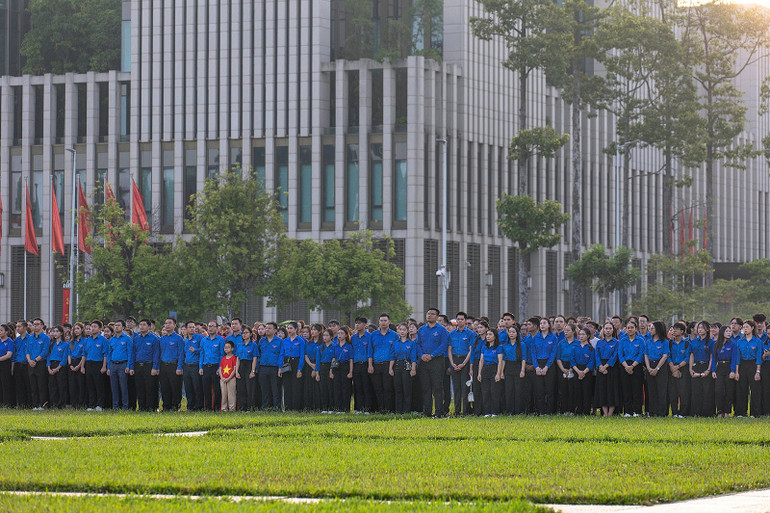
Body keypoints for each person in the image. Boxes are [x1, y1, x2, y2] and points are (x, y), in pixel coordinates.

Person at [417, 308, 449, 417]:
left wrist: (432, 355)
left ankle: (439, 412)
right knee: (426, 388)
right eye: (428, 313)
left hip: (436, 361)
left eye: (432, 314)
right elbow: (418, 344)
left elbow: (443, 345)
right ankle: (427, 412)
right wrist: (422, 355)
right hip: (424, 361)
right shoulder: (421, 329)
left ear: (437, 317)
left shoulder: (441, 330)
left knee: (437, 388)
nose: (429, 315)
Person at [448, 311, 475, 416]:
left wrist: (463, 364)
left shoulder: (470, 334)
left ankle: (465, 411)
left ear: (465, 321)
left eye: (462, 319)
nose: (460, 321)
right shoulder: (452, 334)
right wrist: (452, 363)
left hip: (465, 361)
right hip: (454, 360)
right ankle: (457, 410)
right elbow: (449, 349)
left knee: (465, 387)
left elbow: (470, 350)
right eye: (458, 319)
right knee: (456, 387)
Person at [733, 319, 762, 417]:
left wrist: (758, 371)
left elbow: (758, 357)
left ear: (752, 328)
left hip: (753, 365)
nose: (745, 329)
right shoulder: (740, 342)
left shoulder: (757, 341)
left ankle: (754, 413)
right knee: (741, 389)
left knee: (755, 390)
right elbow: (737, 358)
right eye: (744, 327)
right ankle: (741, 412)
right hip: (742, 366)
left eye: (747, 327)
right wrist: (737, 372)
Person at [368, 314, 397, 413]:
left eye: (385, 320)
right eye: (381, 320)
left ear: (389, 322)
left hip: (388, 365)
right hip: (376, 364)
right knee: (378, 388)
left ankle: (389, 409)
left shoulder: (394, 335)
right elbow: (370, 351)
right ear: (379, 322)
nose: (383, 322)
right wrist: (370, 365)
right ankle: (380, 409)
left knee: (388, 388)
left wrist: (391, 367)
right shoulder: (373, 335)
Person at [132, 319, 160, 412]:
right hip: (138, 365)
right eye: (140, 325)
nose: (141, 326)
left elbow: (156, 354)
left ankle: (150, 407)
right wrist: (132, 367)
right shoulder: (136, 338)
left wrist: (155, 367)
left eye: (144, 325)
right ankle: (141, 407)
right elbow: (133, 353)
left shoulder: (154, 338)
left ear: (149, 327)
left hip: (149, 365)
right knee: (140, 387)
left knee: (149, 387)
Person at [531, 318, 558, 414]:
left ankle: (549, 411)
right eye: (541, 323)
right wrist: (537, 367)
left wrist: (547, 367)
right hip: (538, 363)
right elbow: (533, 353)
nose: (542, 325)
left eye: (544, 323)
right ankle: (540, 411)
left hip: (549, 365)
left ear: (549, 325)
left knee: (550, 389)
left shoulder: (553, 338)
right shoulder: (535, 338)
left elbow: (553, 353)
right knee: (539, 390)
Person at [618, 319, 644, 417]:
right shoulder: (623, 340)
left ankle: (637, 411)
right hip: (625, 366)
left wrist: (632, 366)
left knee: (636, 390)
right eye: (628, 328)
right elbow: (620, 354)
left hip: (636, 366)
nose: (630, 330)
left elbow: (641, 354)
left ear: (636, 329)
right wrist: (626, 366)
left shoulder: (640, 340)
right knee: (626, 389)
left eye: (632, 328)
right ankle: (628, 411)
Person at [277, 321, 306, 411]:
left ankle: (296, 408)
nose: (289, 330)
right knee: (287, 386)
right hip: (286, 363)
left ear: (296, 329)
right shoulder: (285, 341)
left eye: (291, 328)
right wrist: (279, 368)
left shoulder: (301, 341)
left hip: (296, 362)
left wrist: (299, 369)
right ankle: (288, 407)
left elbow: (302, 356)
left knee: (296, 386)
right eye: (288, 328)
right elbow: (281, 354)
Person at [500, 324, 528, 415]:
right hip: (508, 367)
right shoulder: (505, 345)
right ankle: (509, 410)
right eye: (510, 332)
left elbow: (524, 358)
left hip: (518, 366)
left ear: (517, 333)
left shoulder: (522, 345)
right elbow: (503, 359)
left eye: (513, 332)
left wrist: (522, 370)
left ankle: (518, 410)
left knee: (518, 389)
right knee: (509, 390)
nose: (511, 334)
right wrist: (501, 372)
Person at [689, 321, 714, 417]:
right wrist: (690, 369)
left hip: (706, 365)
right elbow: (691, 355)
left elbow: (712, 356)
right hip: (696, 365)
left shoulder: (711, 342)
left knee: (707, 390)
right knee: (696, 390)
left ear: (707, 329)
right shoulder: (694, 341)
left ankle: (707, 413)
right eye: (698, 328)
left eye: (702, 328)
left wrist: (708, 369)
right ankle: (696, 412)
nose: (699, 330)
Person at [644, 321, 669, 417]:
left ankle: (661, 412)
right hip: (650, 365)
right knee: (651, 390)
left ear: (658, 329)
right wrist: (649, 368)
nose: (650, 329)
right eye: (650, 328)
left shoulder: (664, 342)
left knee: (661, 390)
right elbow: (646, 355)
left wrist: (657, 368)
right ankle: (652, 411)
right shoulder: (648, 341)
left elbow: (665, 356)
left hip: (661, 366)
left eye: (652, 328)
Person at [107, 320, 133, 411]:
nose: (116, 327)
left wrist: (128, 366)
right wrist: (108, 367)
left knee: (123, 386)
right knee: (114, 387)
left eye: (118, 325)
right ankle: (115, 406)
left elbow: (130, 353)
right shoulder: (112, 339)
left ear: (123, 327)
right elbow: (109, 354)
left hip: (123, 364)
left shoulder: (127, 339)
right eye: (115, 325)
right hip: (113, 364)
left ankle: (125, 406)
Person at [159, 318, 184, 411]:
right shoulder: (162, 339)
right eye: (166, 323)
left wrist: (179, 367)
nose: (167, 325)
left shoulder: (178, 338)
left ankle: (175, 405)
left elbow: (181, 353)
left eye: (170, 323)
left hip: (174, 365)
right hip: (163, 365)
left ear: (174, 325)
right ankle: (166, 406)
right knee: (164, 387)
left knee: (175, 387)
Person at [595, 322, 619, 417]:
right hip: (601, 368)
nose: (608, 330)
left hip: (611, 369)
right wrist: (600, 366)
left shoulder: (616, 342)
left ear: (613, 330)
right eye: (606, 328)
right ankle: (604, 412)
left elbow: (615, 356)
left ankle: (610, 412)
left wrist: (606, 366)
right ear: (603, 330)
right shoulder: (599, 342)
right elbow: (596, 355)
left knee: (612, 389)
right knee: (602, 389)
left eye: (610, 328)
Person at [667, 322, 691, 418]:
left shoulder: (686, 343)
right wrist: (672, 367)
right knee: (673, 392)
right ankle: (674, 412)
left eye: (676, 329)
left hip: (683, 368)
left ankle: (682, 413)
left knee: (683, 392)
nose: (674, 331)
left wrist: (677, 367)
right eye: (673, 329)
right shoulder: (669, 343)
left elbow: (687, 357)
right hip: (671, 368)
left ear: (681, 331)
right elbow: (668, 356)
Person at [26, 318, 51, 410]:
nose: (35, 326)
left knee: (41, 385)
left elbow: (45, 351)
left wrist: (35, 360)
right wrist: (29, 360)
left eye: (37, 324)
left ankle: (42, 404)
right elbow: (27, 350)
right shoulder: (30, 338)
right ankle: (35, 404)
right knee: (33, 385)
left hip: (40, 363)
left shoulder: (45, 338)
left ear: (42, 326)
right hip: (31, 363)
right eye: (34, 324)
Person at [200, 320, 225, 411]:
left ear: (217, 328)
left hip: (216, 367)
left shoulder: (221, 340)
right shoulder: (204, 340)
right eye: (209, 326)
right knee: (206, 389)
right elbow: (202, 354)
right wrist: (200, 367)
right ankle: (208, 407)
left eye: (213, 326)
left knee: (216, 388)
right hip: (206, 366)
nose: (210, 328)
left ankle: (216, 407)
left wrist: (219, 368)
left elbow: (222, 354)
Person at [392, 322, 417, 414]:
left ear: (407, 331)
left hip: (407, 366)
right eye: (400, 330)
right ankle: (398, 410)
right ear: (397, 331)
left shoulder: (411, 343)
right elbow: (392, 356)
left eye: (404, 330)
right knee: (398, 389)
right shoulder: (395, 343)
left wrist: (413, 369)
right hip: (397, 366)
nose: (402, 332)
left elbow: (414, 357)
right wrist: (390, 368)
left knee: (407, 389)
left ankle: (407, 410)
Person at [712, 325, 737, 418]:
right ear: (722, 332)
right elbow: (714, 358)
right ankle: (720, 411)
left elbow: (734, 359)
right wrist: (713, 370)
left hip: (728, 367)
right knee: (719, 391)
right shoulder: (716, 344)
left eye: (730, 331)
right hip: (719, 368)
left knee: (729, 391)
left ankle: (727, 411)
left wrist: (732, 371)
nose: (729, 333)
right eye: (727, 331)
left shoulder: (733, 344)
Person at [477, 329, 502, 417]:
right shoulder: (484, 347)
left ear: (495, 336)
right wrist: (479, 373)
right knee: (485, 391)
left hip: (494, 368)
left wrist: (498, 373)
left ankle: (494, 412)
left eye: (490, 334)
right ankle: (487, 412)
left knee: (494, 391)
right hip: (485, 369)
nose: (488, 336)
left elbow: (500, 361)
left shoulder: (498, 347)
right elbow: (481, 360)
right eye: (487, 334)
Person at [571, 327, 596, 415]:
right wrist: (578, 372)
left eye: (583, 334)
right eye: (580, 334)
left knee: (587, 392)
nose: (581, 336)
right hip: (577, 370)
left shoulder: (591, 348)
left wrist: (583, 372)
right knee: (577, 391)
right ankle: (578, 410)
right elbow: (572, 360)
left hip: (587, 372)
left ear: (588, 336)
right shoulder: (575, 347)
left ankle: (586, 411)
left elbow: (591, 362)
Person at [84, 320, 108, 411]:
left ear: (100, 329)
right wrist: (82, 366)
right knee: (90, 385)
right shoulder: (88, 340)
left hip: (99, 363)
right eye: (91, 327)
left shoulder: (103, 340)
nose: (92, 329)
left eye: (94, 327)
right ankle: (91, 404)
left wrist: (104, 366)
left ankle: (100, 405)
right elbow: (84, 354)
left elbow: (105, 354)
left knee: (99, 385)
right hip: (89, 363)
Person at [351, 317, 373, 413]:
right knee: (357, 387)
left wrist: (370, 365)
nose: (357, 325)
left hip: (365, 364)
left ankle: (367, 408)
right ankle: (358, 408)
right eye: (356, 323)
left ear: (365, 325)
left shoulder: (369, 336)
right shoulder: (353, 338)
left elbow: (370, 351)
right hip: (356, 365)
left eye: (359, 323)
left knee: (366, 387)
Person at [258, 322, 281, 410]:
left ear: (275, 330)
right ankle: (266, 407)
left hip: (274, 367)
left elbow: (281, 355)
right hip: (263, 367)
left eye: (269, 328)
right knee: (264, 388)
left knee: (275, 388)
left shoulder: (279, 341)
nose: (267, 330)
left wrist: (279, 368)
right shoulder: (262, 340)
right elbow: (259, 354)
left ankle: (276, 407)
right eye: (266, 328)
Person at [555, 324, 578, 414]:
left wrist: (571, 369)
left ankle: (572, 409)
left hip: (574, 366)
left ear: (573, 331)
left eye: (568, 330)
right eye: (565, 330)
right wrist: (563, 369)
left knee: (572, 389)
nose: (566, 332)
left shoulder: (577, 343)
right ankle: (564, 410)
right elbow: (558, 358)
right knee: (563, 389)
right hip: (562, 366)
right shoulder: (561, 343)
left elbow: (577, 357)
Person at [235, 325, 258, 411]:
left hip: (249, 365)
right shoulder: (239, 345)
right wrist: (236, 371)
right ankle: (242, 407)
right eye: (243, 333)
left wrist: (253, 371)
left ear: (251, 334)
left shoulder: (253, 345)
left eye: (246, 333)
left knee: (250, 388)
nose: (244, 335)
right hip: (241, 366)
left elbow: (254, 359)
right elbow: (238, 359)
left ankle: (250, 407)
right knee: (241, 388)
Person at [331, 326, 354, 412]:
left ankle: (345, 408)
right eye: (338, 333)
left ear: (346, 335)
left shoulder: (349, 346)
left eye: (342, 333)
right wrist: (331, 370)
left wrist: (350, 371)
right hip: (336, 367)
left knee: (346, 388)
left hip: (345, 367)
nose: (339, 335)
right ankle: (338, 408)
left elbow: (351, 360)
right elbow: (333, 359)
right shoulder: (335, 346)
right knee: (337, 388)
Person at [46, 326, 69, 409]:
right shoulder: (52, 344)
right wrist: (48, 367)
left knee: (61, 386)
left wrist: (58, 368)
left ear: (61, 333)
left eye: (57, 331)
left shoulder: (65, 344)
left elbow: (64, 358)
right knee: (52, 386)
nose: (55, 333)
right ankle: (53, 404)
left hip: (60, 366)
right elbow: (48, 356)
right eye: (53, 331)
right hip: (51, 365)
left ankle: (61, 404)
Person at [182, 321, 203, 411]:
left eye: (193, 327)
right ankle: (190, 406)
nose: (192, 329)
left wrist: (195, 350)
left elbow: (202, 350)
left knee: (197, 387)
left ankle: (198, 406)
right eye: (190, 327)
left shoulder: (199, 338)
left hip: (195, 365)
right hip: (186, 366)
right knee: (188, 387)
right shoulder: (185, 339)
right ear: (186, 329)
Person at [303, 323, 323, 411]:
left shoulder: (321, 343)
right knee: (308, 387)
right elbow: (305, 355)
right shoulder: (309, 342)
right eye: (312, 330)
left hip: (318, 365)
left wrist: (315, 368)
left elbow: (321, 356)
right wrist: (311, 365)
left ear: (319, 332)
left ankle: (318, 406)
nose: (313, 331)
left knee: (318, 387)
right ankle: (309, 407)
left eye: (315, 330)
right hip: (309, 364)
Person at [316, 328, 336, 413]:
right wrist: (317, 373)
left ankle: (331, 407)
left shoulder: (334, 346)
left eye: (327, 335)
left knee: (330, 388)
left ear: (331, 337)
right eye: (324, 335)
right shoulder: (320, 347)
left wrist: (331, 370)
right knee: (323, 388)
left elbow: (333, 359)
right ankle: (324, 407)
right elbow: (317, 361)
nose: (325, 337)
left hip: (330, 367)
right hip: (322, 367)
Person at [67, 323, 86, 408]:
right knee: (72, 385)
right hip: (72, 362)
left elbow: (84, 354)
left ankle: (81, 403)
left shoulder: (85, 340)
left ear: (82, 329)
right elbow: (69, 354)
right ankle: (74, 404)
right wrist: (70, 364)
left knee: (81, 384)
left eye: (78, 328)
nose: (76, 331)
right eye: (74, 329)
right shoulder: (71, 342)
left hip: (81, 362)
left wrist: (79, 366)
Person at [13, 321, 31, 408]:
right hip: (18, 364)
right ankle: (21, 404)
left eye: (19, 326)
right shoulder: (17, 340)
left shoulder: (30, 339)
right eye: (16, 327)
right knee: (19, 385)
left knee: (28, 385)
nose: (17, 328)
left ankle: (29, 404)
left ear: (25, 327)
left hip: (27, 364)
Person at [219, 340, 237, 412]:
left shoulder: (234, 358)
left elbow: (234, 369)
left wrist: (229, 378)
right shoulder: (223, 358)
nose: (226, 349)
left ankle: (232, 408)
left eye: (228, 347)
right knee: (224, 394)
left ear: (232, 349)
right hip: (223, 379)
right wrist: (222, 377)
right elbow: (220, 369)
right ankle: (224, 408)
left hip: (231, 379)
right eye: (225, 347)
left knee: (231, 394)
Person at [0, 323, 14, 407]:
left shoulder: (10, 342)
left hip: (5, 364)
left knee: (5, 383)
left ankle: (7, 403)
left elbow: (9, 355)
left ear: (6, 332)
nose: (0, 332)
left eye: (1, 330)